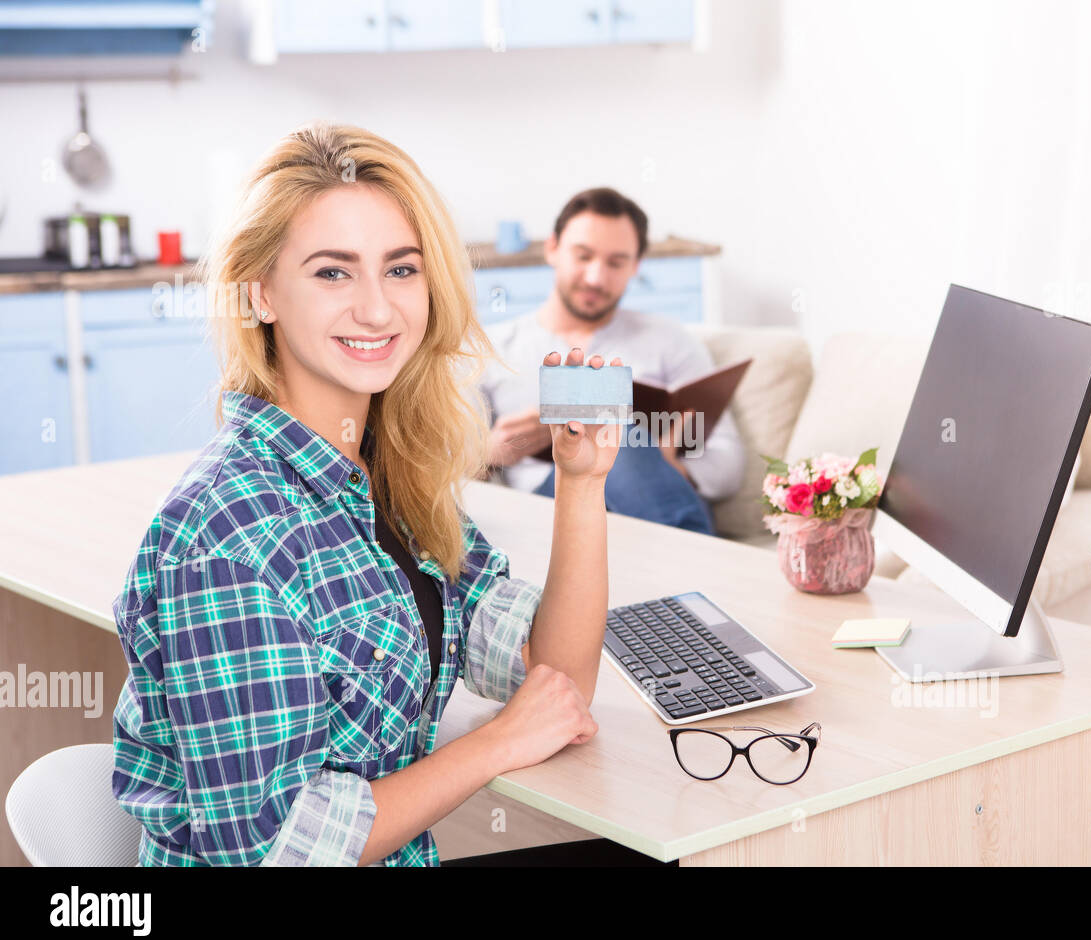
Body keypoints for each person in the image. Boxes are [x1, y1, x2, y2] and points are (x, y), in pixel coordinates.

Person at [109, 122, 637, 866]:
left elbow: (553, 675)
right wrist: (493, 745)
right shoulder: (228, 535)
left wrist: (583, 483)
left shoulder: (383, 476)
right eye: (333, 272)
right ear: (260, 293)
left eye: (400, 270)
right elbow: (275, 848)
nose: (379, 310)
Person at [479, 187, 746, 535]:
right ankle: (697, 580)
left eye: (616, 262)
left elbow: (730, 462)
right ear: (552, 249)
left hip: (650, 510)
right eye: (583, 256)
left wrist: (663, 466)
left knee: (616, 434)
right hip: (553, 515)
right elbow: (437, 467)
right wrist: (492, 451)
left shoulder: (671, 340)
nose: (596, 278)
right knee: (604, 433)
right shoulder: (491, 349)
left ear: (636, 266)